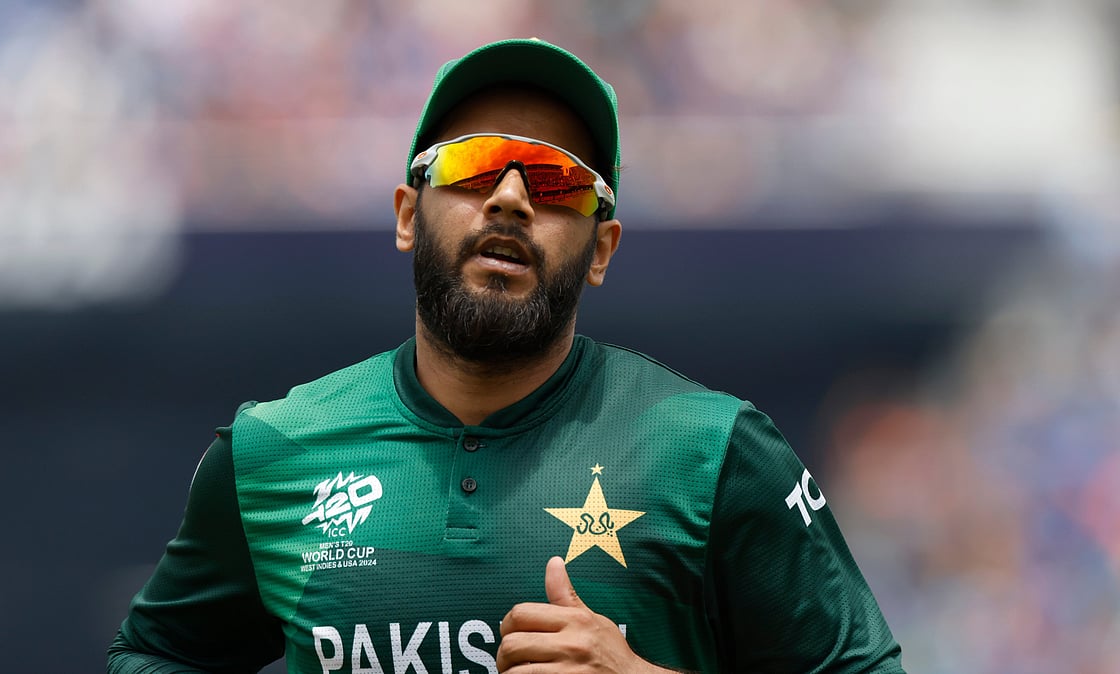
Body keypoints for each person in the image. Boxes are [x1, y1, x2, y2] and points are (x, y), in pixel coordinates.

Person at [108, 38, 906, 673]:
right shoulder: (271, 451)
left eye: (560, 181)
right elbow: (154, 656)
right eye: (473, 165)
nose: (513, 197)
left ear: (601, 250)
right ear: (407, 216)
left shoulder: (716, 451)